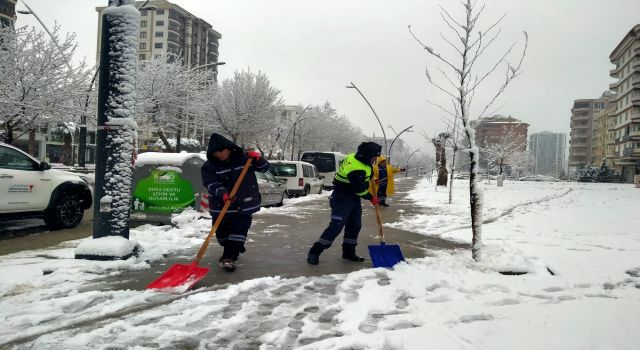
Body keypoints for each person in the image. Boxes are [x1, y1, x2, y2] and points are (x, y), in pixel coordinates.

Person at [201, 133, 269, 272]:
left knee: (239, 230)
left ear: (228, 148)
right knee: (222, 235)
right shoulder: (209, 166)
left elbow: (265, 168)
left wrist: (258, 159)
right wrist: (222, 193)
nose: (219, 155)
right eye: (215, 153)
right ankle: (234, 247)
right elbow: (210, 183)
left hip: (244, 204)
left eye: (220, 151)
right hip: (221, 206)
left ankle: (228, 257)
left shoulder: (244, 159)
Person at [307, 141, 382, 265]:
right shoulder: (356, 167)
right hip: (342, 197)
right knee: (336, 226)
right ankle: (315, 251)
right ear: (367, 155)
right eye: (374, 157)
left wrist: (372, 178)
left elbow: (366, 172)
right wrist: (371, 197)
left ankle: (348, 252)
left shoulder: (357, 157)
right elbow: (358, 189)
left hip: (353, 198)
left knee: (355, 225)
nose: (375, 160)